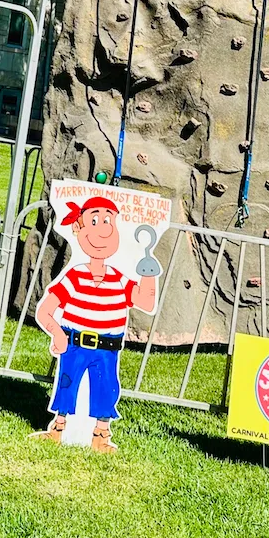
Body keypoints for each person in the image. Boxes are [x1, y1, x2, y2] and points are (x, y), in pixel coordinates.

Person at [33, 194, 158, 453]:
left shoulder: (119, 279)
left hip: (107, 347)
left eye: (108, 222)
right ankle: (58, 429)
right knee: (67, 384)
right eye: (95, 221)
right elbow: (46, 311)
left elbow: (145, 302)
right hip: (74, 342)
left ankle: (101, 435)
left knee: (105, 389)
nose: (103, 230)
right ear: (79, 229)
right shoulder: (75, 276)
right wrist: (57, 334)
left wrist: (148, 274)